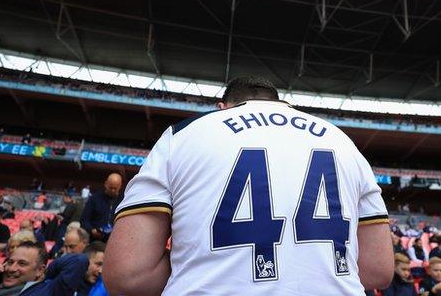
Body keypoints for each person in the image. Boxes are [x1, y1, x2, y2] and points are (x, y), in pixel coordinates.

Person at [104, 76, 394, 295]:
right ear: (283, 103)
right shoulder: (342, 141)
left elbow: (130, 275)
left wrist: (196, 257)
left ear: (221, 108)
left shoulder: (183, 135)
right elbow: (377, 270)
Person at [0, 241, 89, 296]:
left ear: (40, 270)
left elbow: (78, 260)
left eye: (22, 264)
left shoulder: (49, 291)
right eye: (10, 262)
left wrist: (45, 274)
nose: (12, 268)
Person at [81, 173, 122, 242]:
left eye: (115, 188)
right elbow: (84, 220)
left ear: (120, 186)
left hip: (115, 239)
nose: (113, 190)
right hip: (95, 239)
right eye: (111, 187)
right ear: (106, 184)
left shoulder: (123, 201)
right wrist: (91, 230)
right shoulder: (94, 198)